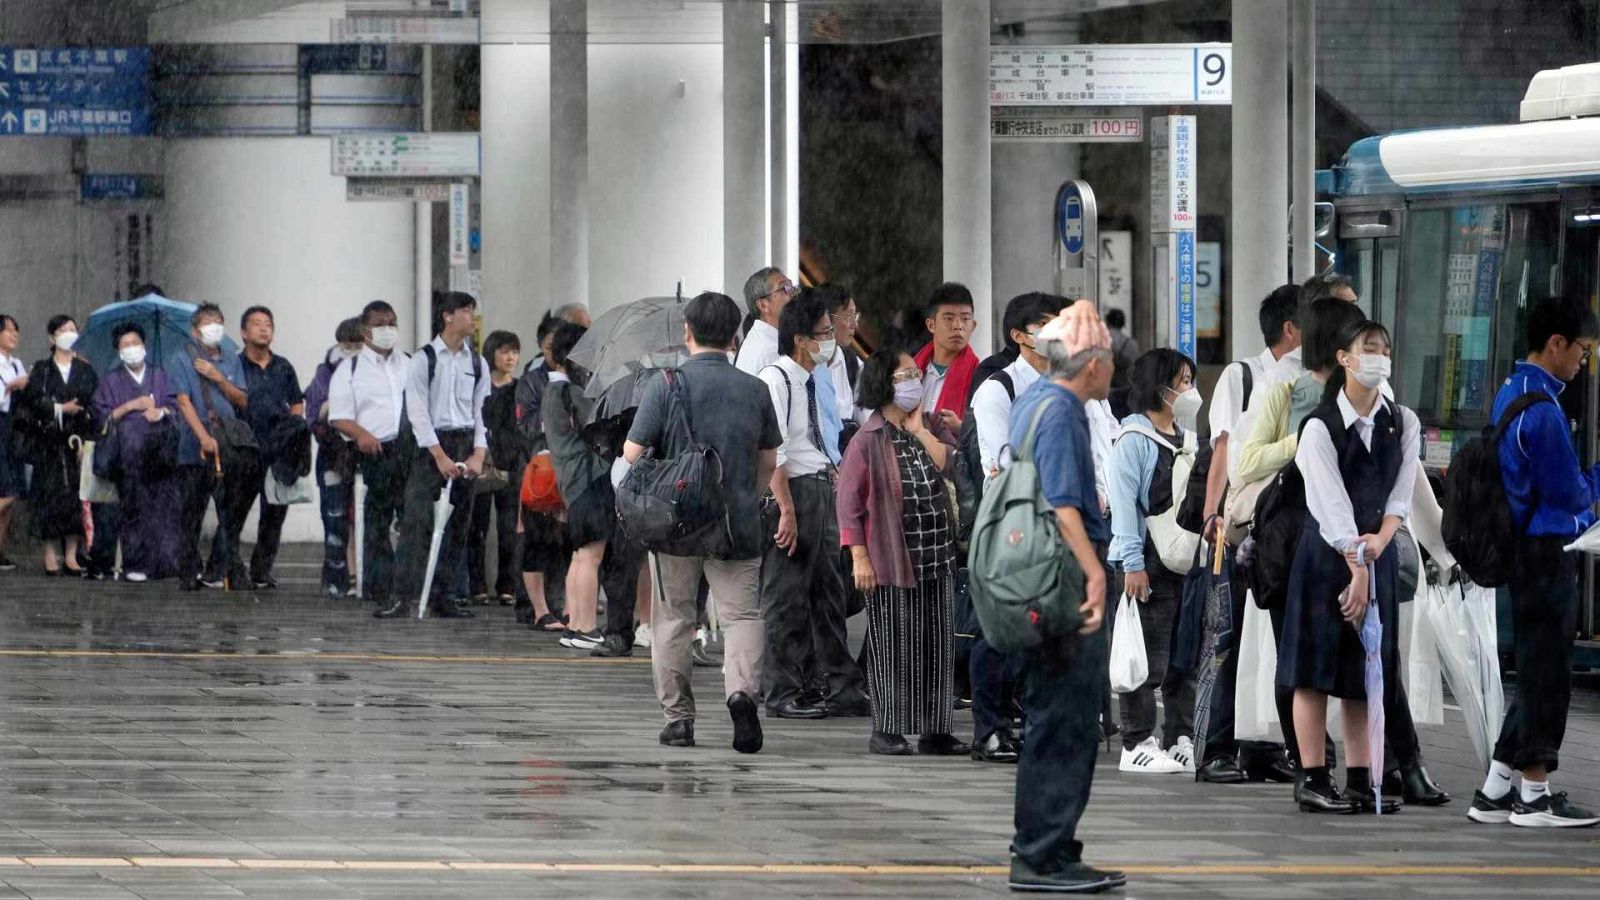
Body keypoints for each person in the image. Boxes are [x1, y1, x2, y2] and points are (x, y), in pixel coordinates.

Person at [623, 291, 780, 753]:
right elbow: (768, 459)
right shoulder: (755, 389)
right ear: (735, 337)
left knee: (673, 617)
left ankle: (678, 719)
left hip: (676, 524)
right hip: (737, 523)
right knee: (742, 616)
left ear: (687, 332)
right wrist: (744, 497)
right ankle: (741, 693)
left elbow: (632, 454)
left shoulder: (666, 384)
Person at [1005, 302, 1124, 894]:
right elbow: (1061, 501)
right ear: (1091, 362)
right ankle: (1040, 855)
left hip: (1038, 577)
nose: (1112, 371)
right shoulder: (1062, 412)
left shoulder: (1035, 402)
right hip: (1063, 580)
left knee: (1057, 715)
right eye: (1108, 360)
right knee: (1066, 717)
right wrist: (1093, 573)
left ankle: (1051, 847)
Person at [1468, 295, 1600, 828]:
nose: (1583, 362)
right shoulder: (1543, 411)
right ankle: (1536, 795)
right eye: (1583, 351)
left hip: (1521, 553)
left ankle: (1497, 788)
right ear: (1556, 344)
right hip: (1547, 556)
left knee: (1535, 671)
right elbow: (1571, 495)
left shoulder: (1511, 391)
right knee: (1548, 676)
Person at [1279, 317, 1417, 815]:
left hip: (1374, 555)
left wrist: (1379, 543)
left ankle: (1362, 777)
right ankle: (1313, 777)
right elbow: (1328, 501)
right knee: (1313, 671)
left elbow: (1400, 494)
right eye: (1368, 347)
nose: (1379, 355)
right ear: (1344, 358)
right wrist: (1356, 563)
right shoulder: (1318, 425)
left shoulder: (1402, 421)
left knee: (1368, 668)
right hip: (1325, 558)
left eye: (1383, 347)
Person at [1193, 284, 1303, 784]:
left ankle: (1262, 748)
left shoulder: (1306, 378)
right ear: (1292, 328)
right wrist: (1214, 516)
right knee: (1227, 637)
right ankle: (1214, 747)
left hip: (1279, 531)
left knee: (1269, 643)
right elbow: (1225, 449)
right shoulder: (1243, 375)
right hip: (1238, 531)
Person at [837, 346, 967, 756]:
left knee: (938, 644)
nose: (915, 382)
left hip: (938, 555)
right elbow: (849, 504)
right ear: (883, 384)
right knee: (894, 643)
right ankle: (887, 728)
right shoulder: (868, 439)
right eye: (905, 376)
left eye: (916, 374)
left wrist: (921, 430)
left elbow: (954, 466)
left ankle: (936, 730)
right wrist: (859, 556)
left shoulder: (930, 426)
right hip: (892, 557)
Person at [757, 294, 869, 719]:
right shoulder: (777, 378)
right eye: (824, 333)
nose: (832, 341)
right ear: (801, 338)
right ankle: (782, 688)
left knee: (829, 590)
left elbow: (824, 432)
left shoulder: (816, 376)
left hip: (823, 486)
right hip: (794, 490)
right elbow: (776, 451)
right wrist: (784, 508)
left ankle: (836, 683)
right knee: (785, 593)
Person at [965, 291, 1061, 764]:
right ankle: (990, 730)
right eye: (1046, 326)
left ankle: (1022, 721)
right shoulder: (998, 388)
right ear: (1019, 336)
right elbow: (1001, 458)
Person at [1107, 348, 1201, 775]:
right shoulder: (1133, 441)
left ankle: (1179, 736)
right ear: (1159, 388)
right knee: (1144, 655)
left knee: (1184, 654)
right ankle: (1136, 740)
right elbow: (1125, 506)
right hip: (1146, 559)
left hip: (1185, 559)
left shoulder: (1188, 437)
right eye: (1182, 382)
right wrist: (1131, 563)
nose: (1190, 390)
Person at [382, 291, 488, 620]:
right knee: (416, 521)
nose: (472, 317)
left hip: (465, 443)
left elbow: (483, 411)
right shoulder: (424, 358)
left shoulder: (477, 361)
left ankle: (444, 594)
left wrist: (479, 454)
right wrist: (439, 455)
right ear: (447, 315)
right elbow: (418, 412)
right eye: (467, 311)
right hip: (430, 447)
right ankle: (402, 596)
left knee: (459, 524)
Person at [329, 301, 413, 615]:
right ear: (365, 331)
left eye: (392, 323)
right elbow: (338, 416)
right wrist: (361, 434)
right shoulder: (349, 369)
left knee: (412, 520)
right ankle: (381, 588)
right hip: (374, 450)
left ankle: (408, 587)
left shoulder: (408, 363)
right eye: (380, 324)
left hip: (408, 450)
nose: (388, 330)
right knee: (377, 522)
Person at [167, 302, 251, 591]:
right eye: (207, 322)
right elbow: (183, 401)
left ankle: (229, 568)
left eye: (218, 321)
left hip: (228, 443)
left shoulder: (231, 359)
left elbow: (241, 399)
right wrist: (203, 436)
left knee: (230, 511)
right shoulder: (181, 358)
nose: (213, 326)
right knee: (191, 512)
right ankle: (188, 569)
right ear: (195, 329)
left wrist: (218, 377)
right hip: (194, 447)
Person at [91, 323, 182, 582]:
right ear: (118, 351)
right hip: (128, 455)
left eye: (135, 343)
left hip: (160, 452)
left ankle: (166, 561)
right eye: (125, 345)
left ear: (144, 346)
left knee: (164, 507)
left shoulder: (160, 375)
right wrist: (132, 405)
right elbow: (101, 417)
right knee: (133, 506)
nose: (131, 349)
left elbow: (175, 405)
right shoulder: (111, 380)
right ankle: (136, 563)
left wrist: (160, 411)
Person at [541, 323, 610, 649]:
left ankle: (575, 625)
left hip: (572, 482)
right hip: (589, 480)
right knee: (590, 557)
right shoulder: (573, 393)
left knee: (580, 557)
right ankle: (585, 627)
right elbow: (600, 427)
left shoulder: (552, 391)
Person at [21, 316, 97, 575]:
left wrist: (85, 439)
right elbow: (33, 400)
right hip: (49, 442)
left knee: (76, 496)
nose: (68, 334)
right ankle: (50, 552)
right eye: (62, 330)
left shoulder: (85, 369)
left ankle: (72, 555)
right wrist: (60, 408)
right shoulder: (41, 369)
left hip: (76, 442)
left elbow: (91, 403)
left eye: (72, 330)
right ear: (51, 338)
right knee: (49, 496)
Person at [236, 306, 304, 590]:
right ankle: (226, 566)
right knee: (236, 508)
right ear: (243, 332)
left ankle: (262, 569)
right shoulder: (235, 365)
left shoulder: (284, 366)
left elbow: (297, 401)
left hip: (279, 445)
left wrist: (296, 425)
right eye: (257, 324)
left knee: (275, 509)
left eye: (268, 324)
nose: (264, 329)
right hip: (246, 445)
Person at [304, 318, 366, 598]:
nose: (351, 350)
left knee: (364, 518)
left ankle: (360, 578)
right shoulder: (325, 371)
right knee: (335, 519)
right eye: (347, 345)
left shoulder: (376, 370)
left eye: (357, 345)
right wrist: (334, 401)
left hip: (364, 453)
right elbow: (313, 414)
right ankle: (336, 578)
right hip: (333, 454)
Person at [515, 312, 569, 631]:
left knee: (566, 539)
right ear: (541, 347)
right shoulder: (532, 380)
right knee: (536, 537)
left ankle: (561, 603)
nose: (558, 352)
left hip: (571, 467)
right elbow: (526, 424)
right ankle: (538, 607)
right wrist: (556, 422)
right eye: (551, 346)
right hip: (541, 467)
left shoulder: (580, 377)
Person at [468, 330, 523, 604]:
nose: (510, 357)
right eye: (504, 351)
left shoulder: (521, 388)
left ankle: (507, 587)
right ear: (492, 354)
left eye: (514, 351)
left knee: (509, 528)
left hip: (510, 465)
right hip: (480, 462)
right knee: (476, 527)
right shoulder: (479, 386)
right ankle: (476, 585)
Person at [915, 283, 979, 425]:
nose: (958, 326)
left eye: (965, 319)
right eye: (949, 318)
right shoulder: (911, 372)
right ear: (931, 325)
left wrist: (962, 429)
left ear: (973, 326)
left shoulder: (981, 377)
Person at [0, 315, 28, 572]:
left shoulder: (17, 363)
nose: (14, 335)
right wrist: (11, 386)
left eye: (16, 331)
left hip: (14, 431)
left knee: (13, 490)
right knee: (5, 492)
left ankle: (0, 550)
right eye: (9, 330)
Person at [735, 267, 796, 374]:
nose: (793, 293)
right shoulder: (770, 353)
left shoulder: (766, 338)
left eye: (791, 286)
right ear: (763, 305)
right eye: (784, 288)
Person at [1106, 308, 1139, 419]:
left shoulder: (1101, 341)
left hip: (1105, 393)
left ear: (1107, 321)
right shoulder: (1130, 344)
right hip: (1125, 392)